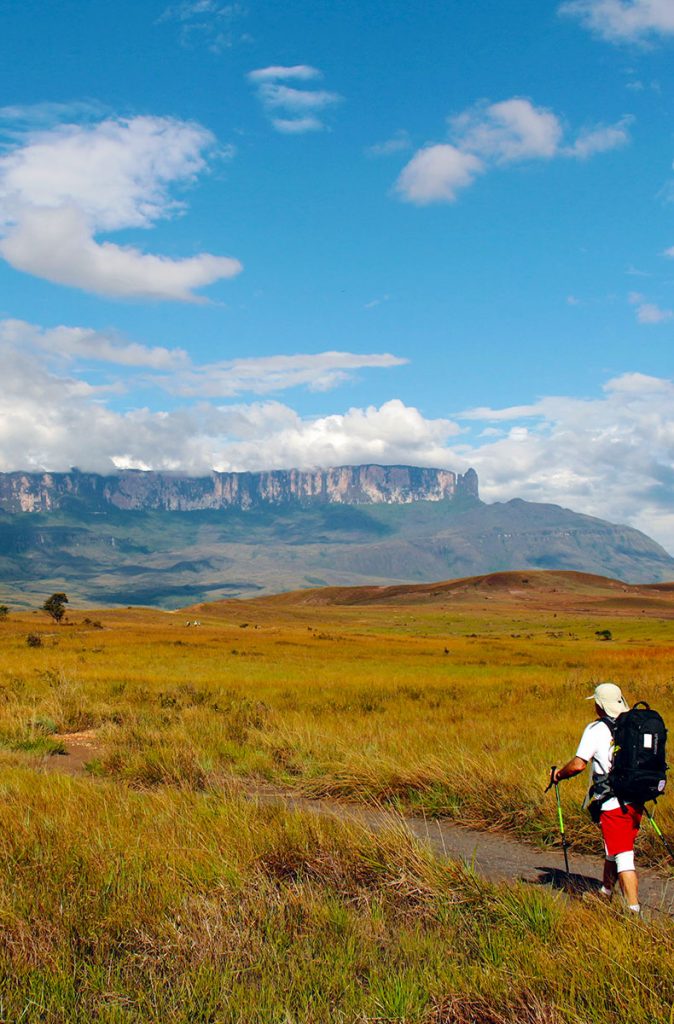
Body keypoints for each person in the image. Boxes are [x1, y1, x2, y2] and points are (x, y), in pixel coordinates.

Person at [553, 682, 642, 914]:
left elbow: (578, 764)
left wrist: (559, 775)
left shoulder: (596, 729)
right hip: (636, 799)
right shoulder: (634, 725)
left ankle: (634, 913)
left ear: (600, 706)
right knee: (613, 848)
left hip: (614, 803)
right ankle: (606, 893)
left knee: (624, 857)